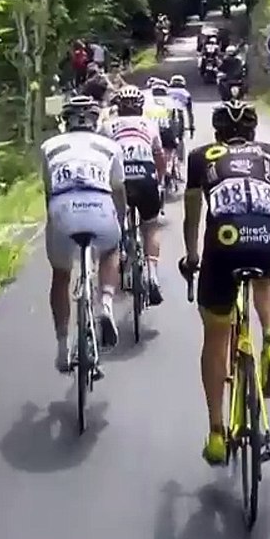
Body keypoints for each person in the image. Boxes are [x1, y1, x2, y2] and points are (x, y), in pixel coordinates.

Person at [177, 100, 270, 465]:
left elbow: (193, 217)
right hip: (269, 236)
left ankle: (216, 433)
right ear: (253, 132)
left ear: (218, 131)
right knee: (267, 274)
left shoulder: (199, 157)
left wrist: (192, 257)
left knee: (216, 334)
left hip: (224, 241)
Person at [40, 96, 127, 372]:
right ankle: (106, 304)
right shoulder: (110, 146)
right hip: (99, 207)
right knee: (112, 248)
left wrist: (54, 223)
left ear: (66, 121)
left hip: (62, 208)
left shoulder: (49, 146)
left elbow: (48, 190)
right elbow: (118, 190)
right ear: (94, 120)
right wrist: (121, 222)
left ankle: (62, 347)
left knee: (61, 274)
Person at [101, 85, 166, 305]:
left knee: (115, 221)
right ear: (140, 107)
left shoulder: (107, 126)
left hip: (120, 180)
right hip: (145, 175)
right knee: (151, 225)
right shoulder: (150, 124)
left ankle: (118, 251)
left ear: (118, 107)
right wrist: (160, 179)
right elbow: (159, 156)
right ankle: (152, 273)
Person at [169, 75, 195, 142]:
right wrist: (191, 127)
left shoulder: (168, 91)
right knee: (182, 113)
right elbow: (190, 113)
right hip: (180, 109)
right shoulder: (186, 93)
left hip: (169, 110)